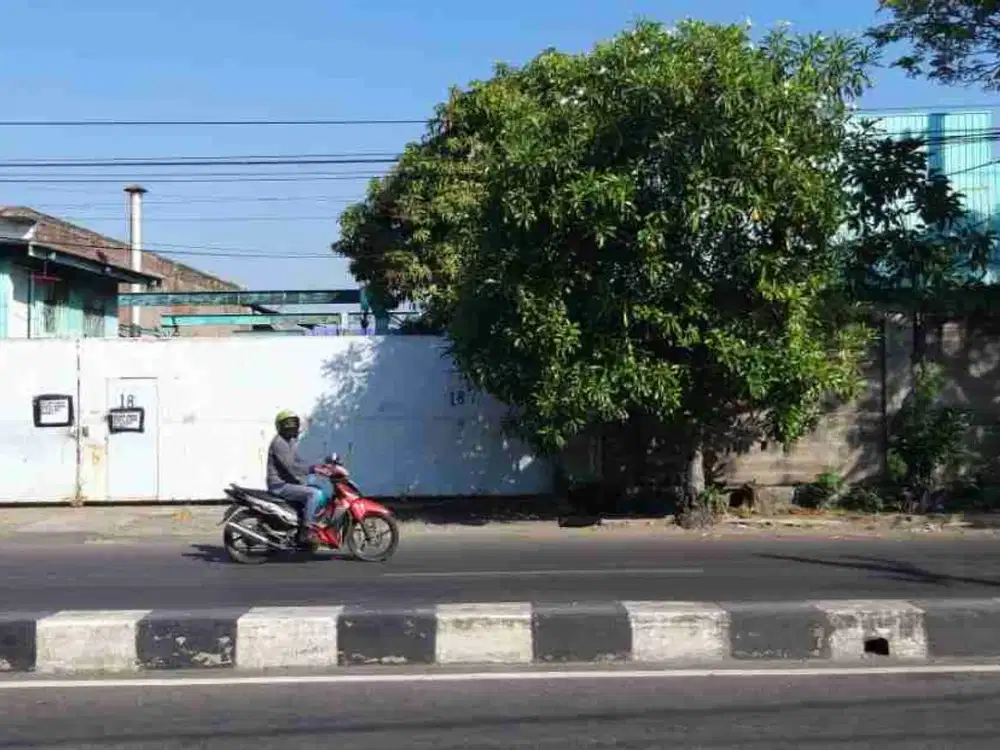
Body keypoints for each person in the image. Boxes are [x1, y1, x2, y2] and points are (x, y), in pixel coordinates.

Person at [266, 410, 327, 545]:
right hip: (279, 485)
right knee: (314, 494)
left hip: (287, 482)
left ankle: (301, 522)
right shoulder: (279, 443)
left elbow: (298, 461)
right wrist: (312, 469)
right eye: (288, 425)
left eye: (294, 424)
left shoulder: (289, 441)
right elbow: (292, 467)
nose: (292, 428)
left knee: (317, 489)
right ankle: (306, 531)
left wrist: (319, 466)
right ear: (280, 426)